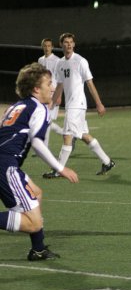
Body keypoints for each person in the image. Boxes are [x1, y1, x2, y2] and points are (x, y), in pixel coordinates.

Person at [0, 63, 78, 260]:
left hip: (6, 163)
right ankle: (38, 248)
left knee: (36, 192)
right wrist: (60, 167)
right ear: (36, 89)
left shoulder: (18, 105)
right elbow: (37, 142)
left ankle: (38, 249)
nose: (53, 87)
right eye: (49, 83)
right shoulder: (38, 107)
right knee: (33, 223)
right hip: (5, 165)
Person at [42, 32, 115, 178]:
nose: (68, 44)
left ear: (74, 44)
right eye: (66, 42)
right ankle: (107, 161)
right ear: (61, 45)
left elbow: (90, 83)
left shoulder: (81, 61)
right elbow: (60, 86)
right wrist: (50, 103)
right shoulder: (60, 63)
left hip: (77, 104)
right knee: (83, 135)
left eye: (71, 42)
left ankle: (58, 170)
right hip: (71, 105)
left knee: (67, 136)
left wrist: (99, 104)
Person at [37, 37, 65, 150]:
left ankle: (44, 147)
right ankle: (67, 134)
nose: (47, 48)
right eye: (45, 46)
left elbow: (60, 79)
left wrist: (59, 95)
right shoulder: (40, 60)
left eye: (49, 46)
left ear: (52, 47)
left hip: (54, 93)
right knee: (46, 120)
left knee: (47, 120)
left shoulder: (57, 60)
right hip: (44, 93)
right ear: (42, 47)